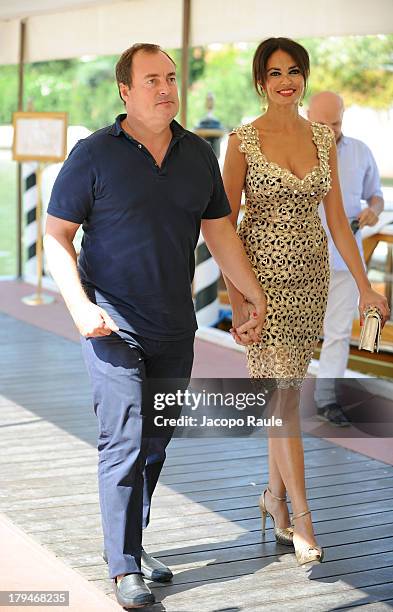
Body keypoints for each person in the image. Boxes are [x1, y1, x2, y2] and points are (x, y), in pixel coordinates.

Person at [44, 43, 267, 609]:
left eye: (171, 78)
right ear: (126, 90)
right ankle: (123, 569)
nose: (166, 88)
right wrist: (78, 305)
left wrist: (251, 294)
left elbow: (219, 233)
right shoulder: (93, 154)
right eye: (152, 80)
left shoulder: (197, 155)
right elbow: (56, 236)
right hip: (111, 322)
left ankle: (132, 544)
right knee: (121, 438)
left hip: (175, 324)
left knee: (153, 442)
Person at [223, 37, 389, 567]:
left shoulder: (322, 137)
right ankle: (302, 516)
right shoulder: (242, 141)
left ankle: (272, 499)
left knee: (283, 393)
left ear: (304, 77)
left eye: (293, 70)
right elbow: (223, 225)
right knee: (285, 398)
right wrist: (241, 299)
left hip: (312, 280)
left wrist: (365, 287)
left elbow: (339, 220)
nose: (285, 80)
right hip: (261, 284)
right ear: (260, 81)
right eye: (274, 72)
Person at [308, 91, 385, 426]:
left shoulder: (361, 152)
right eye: (321, 123)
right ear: (307, 115)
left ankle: (326, 399)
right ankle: (283, 397)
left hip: (345, 261)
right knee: (294, 333)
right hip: (302, 261)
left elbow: (377, 196)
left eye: (335, 123)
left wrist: (373, 211)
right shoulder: (293, 148)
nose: (328, 130)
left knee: (338, 332)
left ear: (344, 116)